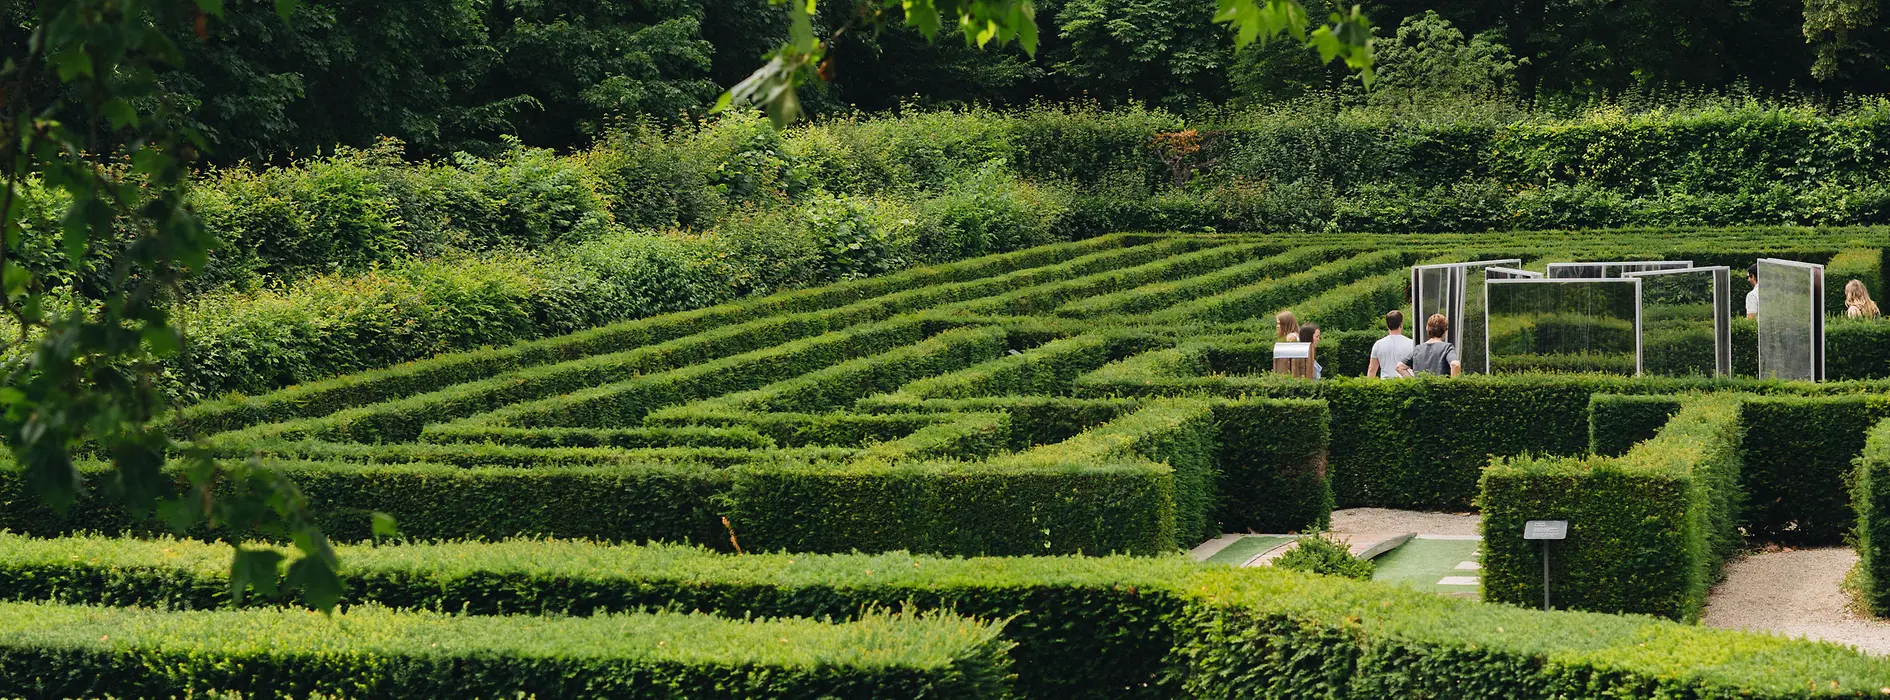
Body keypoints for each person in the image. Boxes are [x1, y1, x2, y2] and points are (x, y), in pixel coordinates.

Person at [1396, 313, 1461, 377]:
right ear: (1445, 331)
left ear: (1427, 329)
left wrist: (1414, 383)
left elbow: (1399, 367)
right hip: (1440, 387)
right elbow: (1455, 364)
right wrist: (1453, 384)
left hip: (1421, 387)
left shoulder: (1418, 349)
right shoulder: (1447, 348)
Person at [1366, 310, 1416, 379]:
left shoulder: (1378, 344)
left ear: (1387, 326)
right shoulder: (1411, 343)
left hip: (1386, 384)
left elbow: (1372, 369)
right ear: (1401, 324)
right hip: (1406, 383)